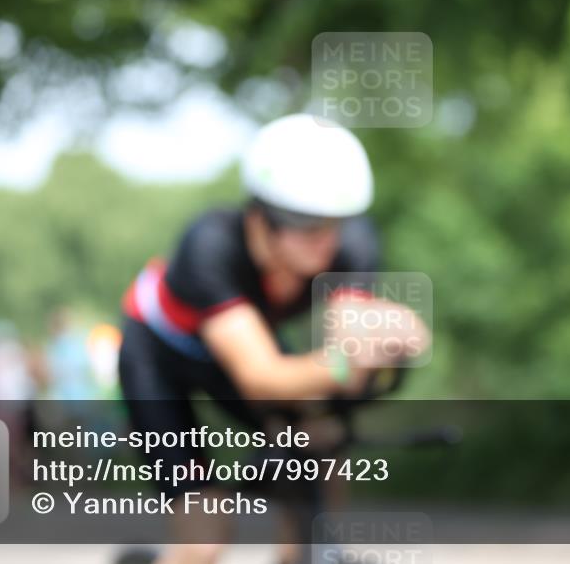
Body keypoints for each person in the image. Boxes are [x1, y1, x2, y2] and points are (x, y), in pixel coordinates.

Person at [118, 114, 430, 564]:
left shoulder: (351, 243)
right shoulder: (210, 244)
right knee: (204, 535)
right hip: (158, 356)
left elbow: (351, 333)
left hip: (247, 347)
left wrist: (399, 332)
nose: (324, 241)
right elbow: (261, 377)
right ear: (260, 217)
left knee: (320, 438)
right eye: (305, 224)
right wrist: (345, 365)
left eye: (333, 223)